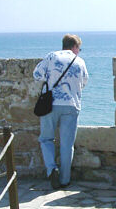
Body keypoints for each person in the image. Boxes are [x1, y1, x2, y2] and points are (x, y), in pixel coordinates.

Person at [33, 34, 88, 189]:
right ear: (75, 47)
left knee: (46, 139)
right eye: (79, 48)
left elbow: (37, 75)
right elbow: (84, 82)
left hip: (51, 105)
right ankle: (65, 180)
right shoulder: (80, 61)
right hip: (71, 105)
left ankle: (52, 169)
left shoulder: (51, 56)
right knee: (66, 144)